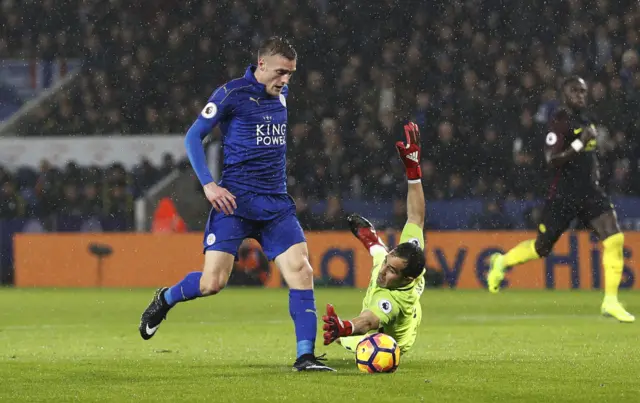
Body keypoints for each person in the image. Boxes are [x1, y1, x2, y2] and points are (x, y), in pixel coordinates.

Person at [138, 36, 335, 371]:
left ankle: (305, 356)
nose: (285, 80)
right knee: (211, 283)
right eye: (280, 72)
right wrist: (209, 185)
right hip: (234, 203)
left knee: (302, 271)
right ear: (261, 65)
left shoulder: (280, 94)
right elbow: (192, 136)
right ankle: (165, 298)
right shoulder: (230, 94)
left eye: (290, 73)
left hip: (274, 205)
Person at [487, 76, 634, 323]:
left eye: (583, 91)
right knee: (541, 247)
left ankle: (610, 301)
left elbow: (588, 156)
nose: (580, 95)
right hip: (563, 196)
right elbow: (551, 160)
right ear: (564, 94)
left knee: (614, 237)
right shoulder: (559, 122)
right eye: (575, 91)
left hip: (590, 193)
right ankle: (501, 262)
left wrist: (594, 166)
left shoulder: (586, 120)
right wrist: (580, 143)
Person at [322, 122, 427, 355]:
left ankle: (371, 239)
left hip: (389, 338)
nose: (383, 271)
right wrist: (413, 168)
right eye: (388, 264)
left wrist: (345, 327)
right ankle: (372, 240)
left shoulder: (393, 301)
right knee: (379, 255)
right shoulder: (408, 254)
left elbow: (368, 321)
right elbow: (416, 217)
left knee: (349, 341)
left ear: (407, 279)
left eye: (391, 271)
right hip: (403, 289)